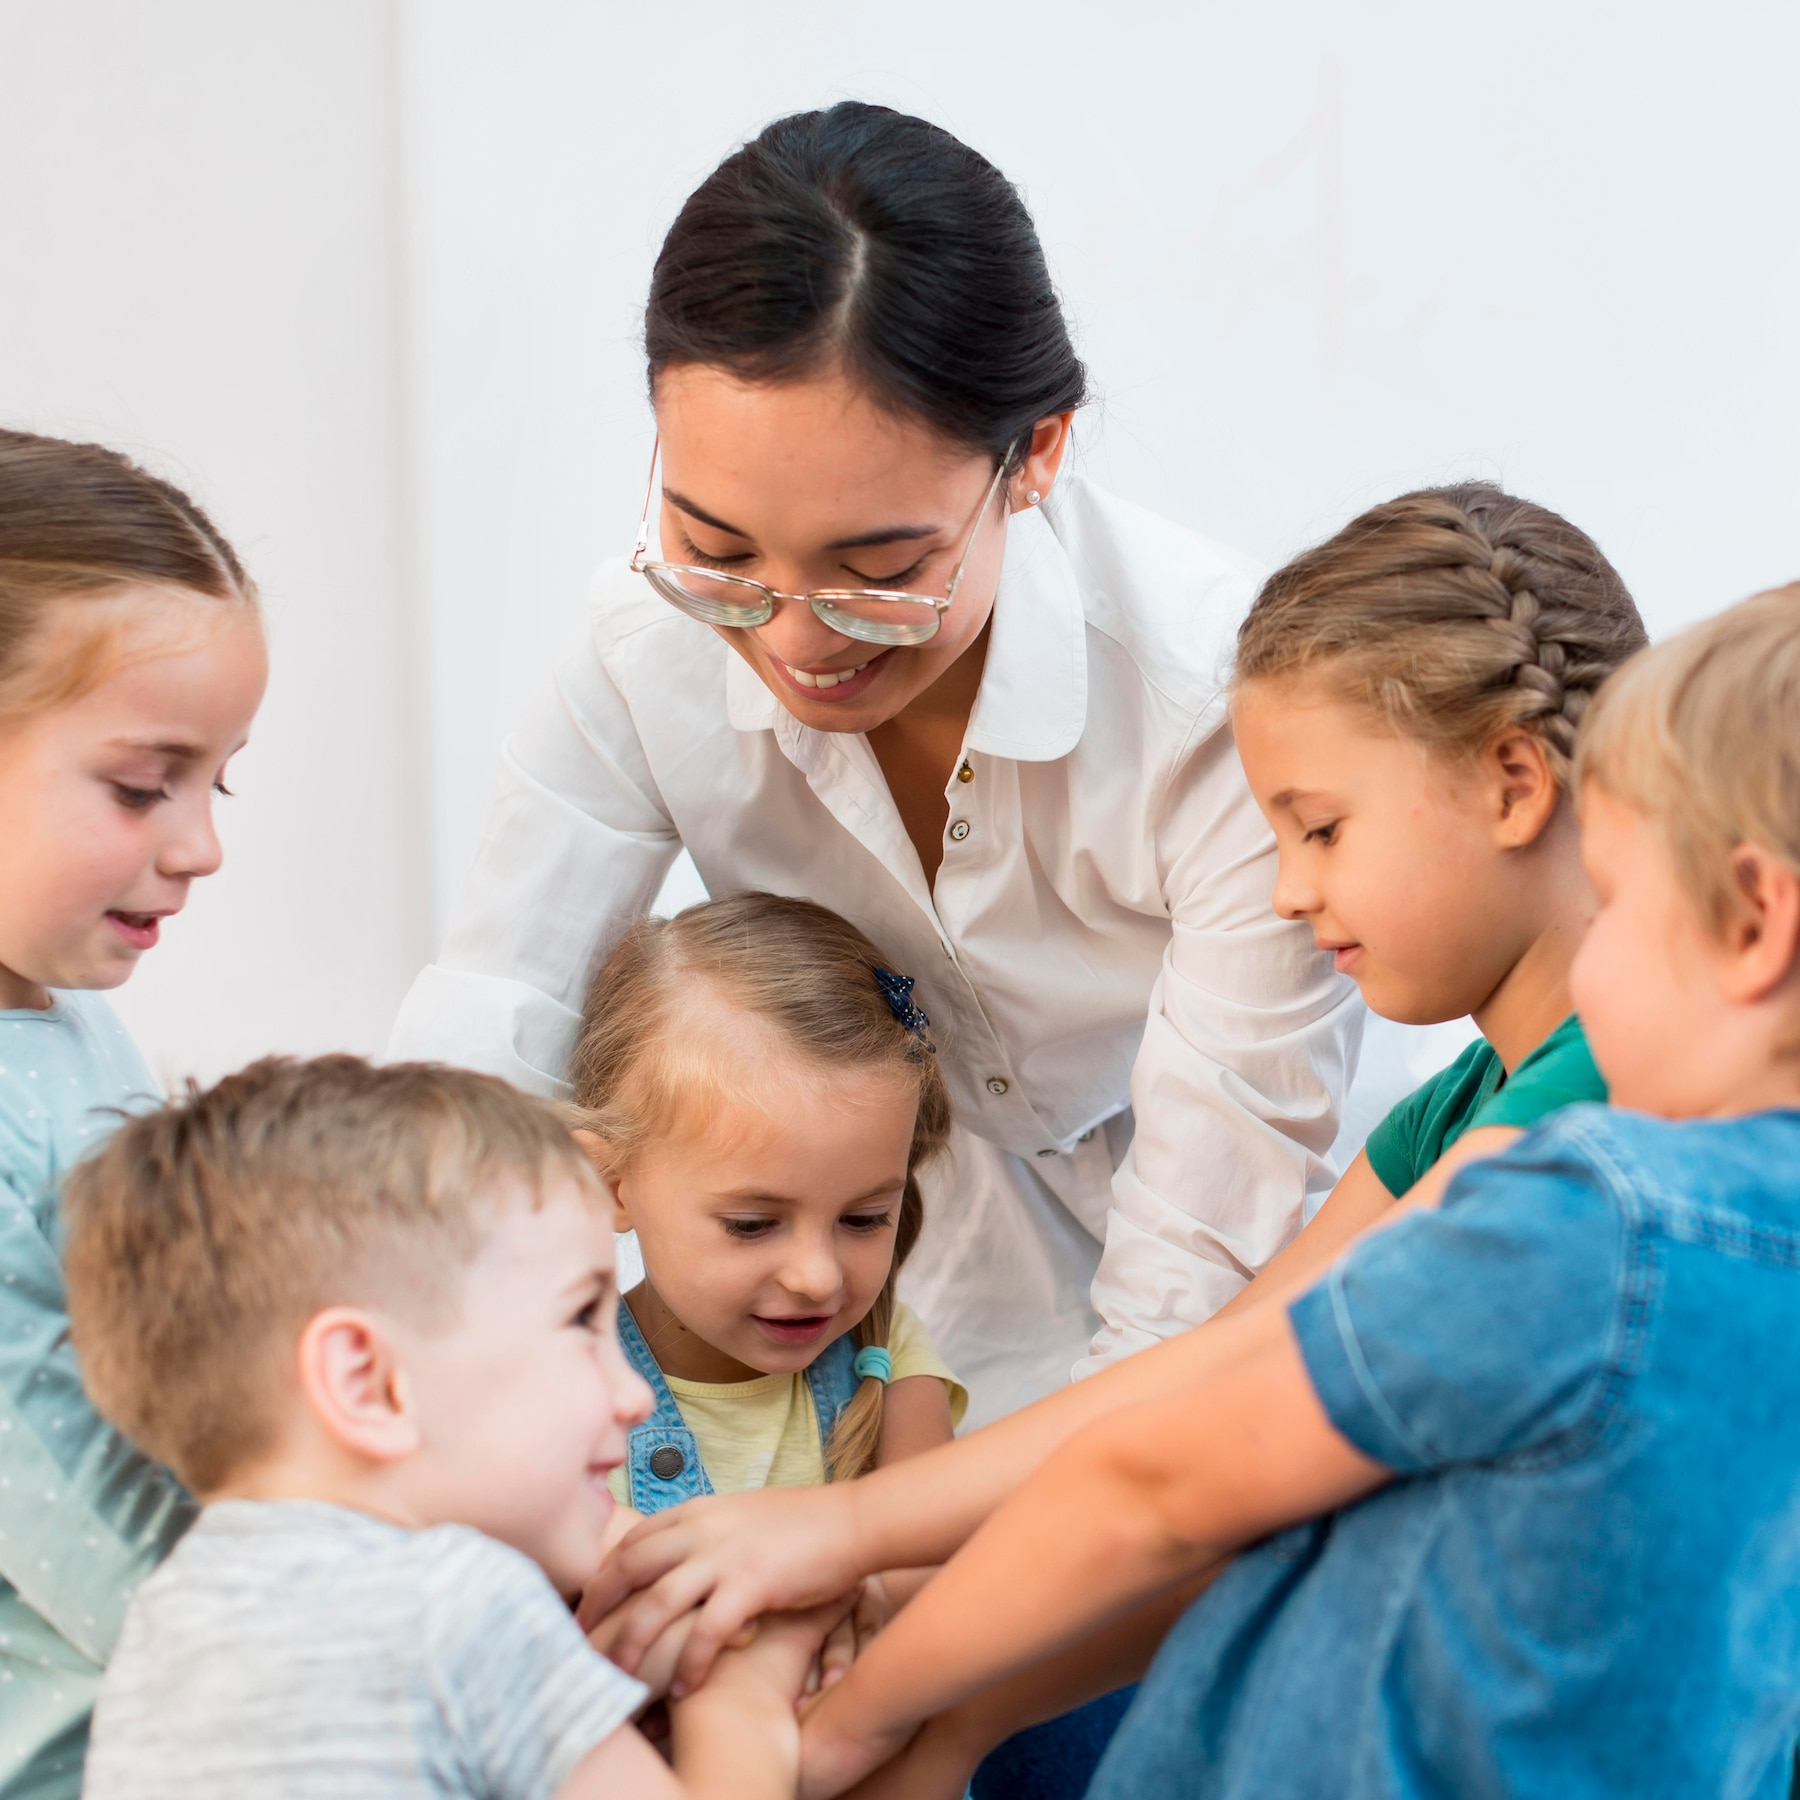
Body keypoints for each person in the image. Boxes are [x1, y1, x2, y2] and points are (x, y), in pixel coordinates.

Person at [582, 484, 1651, 1716]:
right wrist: (885, 1637)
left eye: (1319, 829)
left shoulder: (1591, 1110)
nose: (1289, 895)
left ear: (1516, 782)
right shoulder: (1461, 1104)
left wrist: (846, 1579)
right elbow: (1203, 1377)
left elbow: (1188, 1473)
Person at [387, 100, 1361, 1428]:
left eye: (880, 574)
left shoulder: (1219, 700)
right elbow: (494, 1020)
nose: (790, 637)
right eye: (718, 547)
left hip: (1258, 1272)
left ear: (1040, 456)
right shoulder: (645, 639)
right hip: (917, 1295)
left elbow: (1192, 1280)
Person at [781, 579, 1800, 1800]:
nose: (1286, 891)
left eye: (1622, 901)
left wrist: (864, 1714)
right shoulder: (1494, 1121)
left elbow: (1172, 1484)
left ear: (1753, 918)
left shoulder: (1588, 1203)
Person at [64, 1056, 846, 1800]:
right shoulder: (456, 1597)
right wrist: (743, 1685)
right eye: (581, 1318)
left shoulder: (163, 1627)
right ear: (367, 1382)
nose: (633, 1395)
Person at [0, 428, 267, 1798]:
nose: (199, 844)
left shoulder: (63, 1012)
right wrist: (290, 1658)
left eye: (218, 780)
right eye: (140, 784)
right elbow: (37, 1474)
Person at [566, 893, 964, 1515]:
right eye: (752, 1225)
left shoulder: (889, 1359)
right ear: (612, 1185)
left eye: (863, 1219)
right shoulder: (554, 1392)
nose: (817, 1277)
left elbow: (926, 1572)